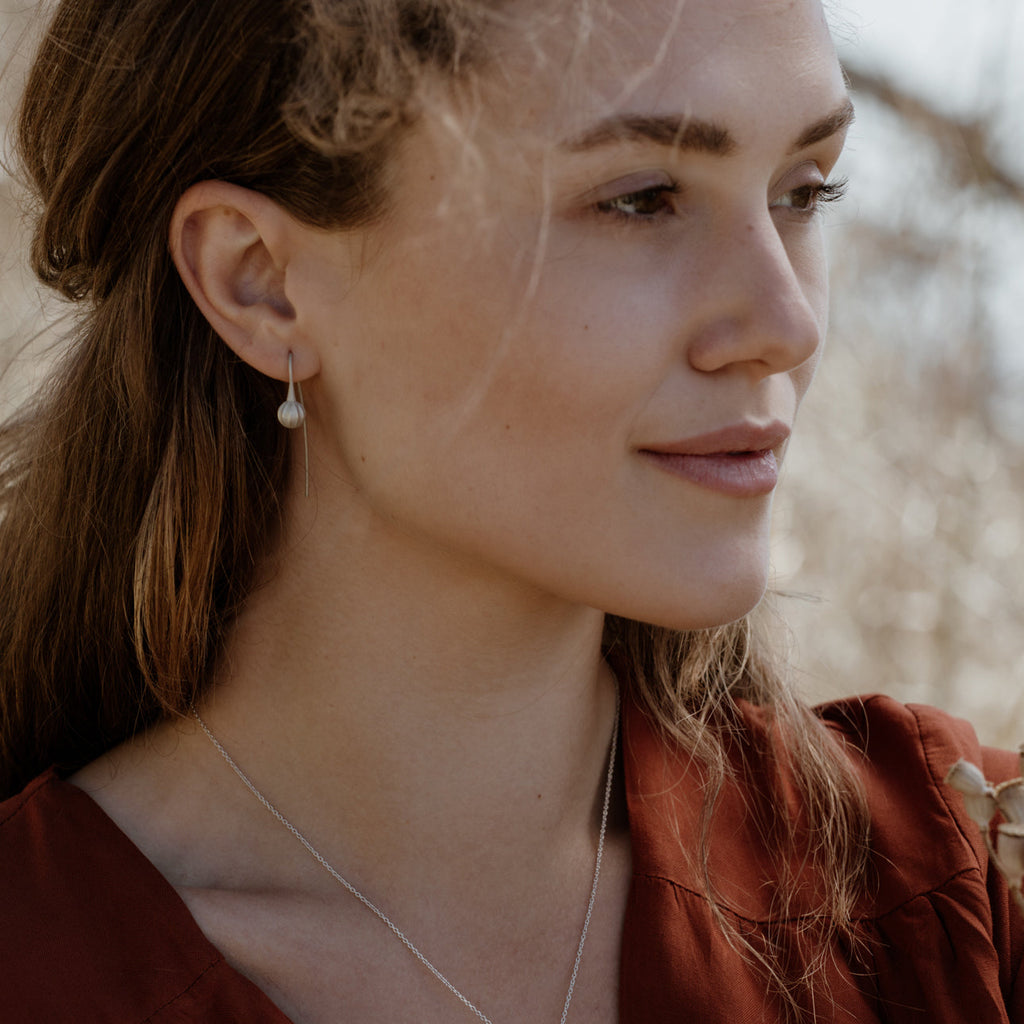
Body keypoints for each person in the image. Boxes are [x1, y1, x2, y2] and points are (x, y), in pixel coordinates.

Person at [0, 0, 1020, 1021]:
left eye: (804, 191)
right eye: (640, 199)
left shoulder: (958, 897)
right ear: (260, 281)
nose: (784, 324)